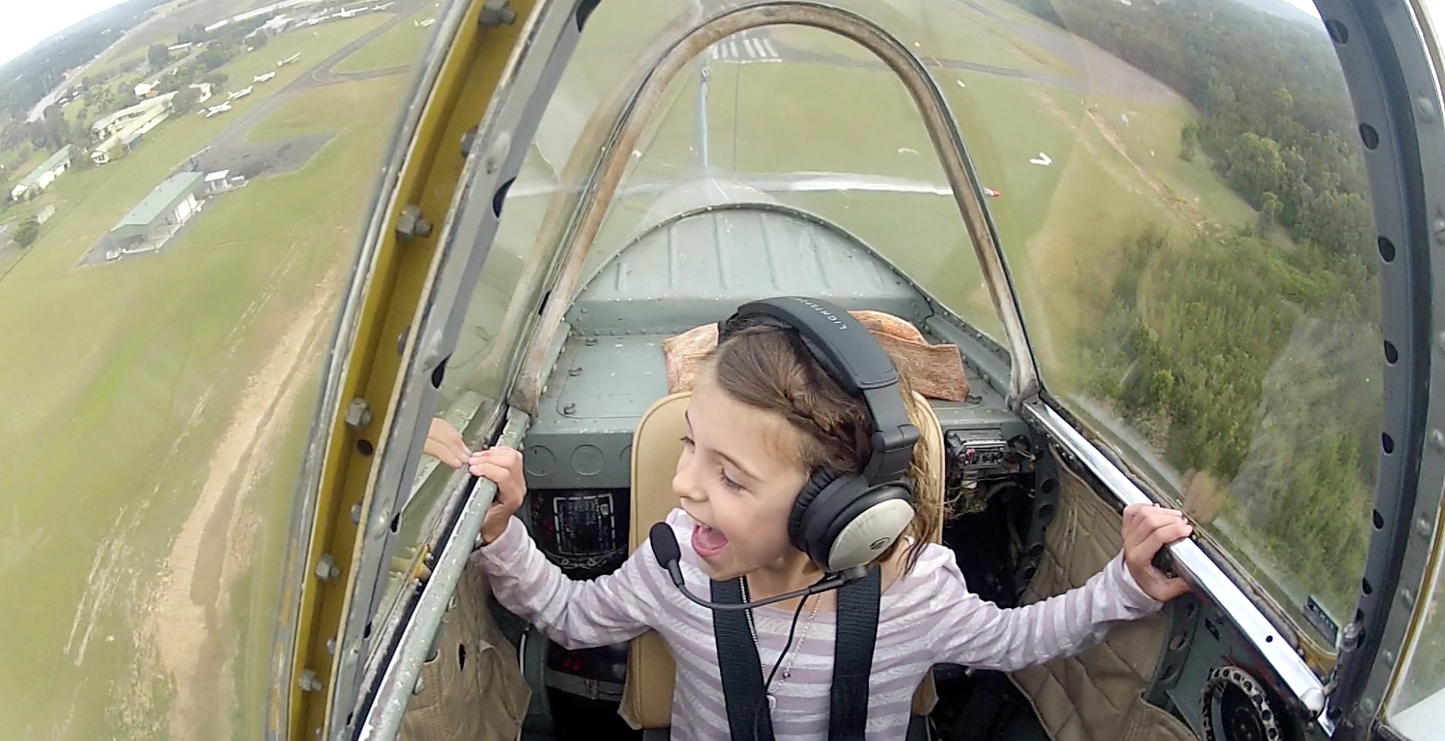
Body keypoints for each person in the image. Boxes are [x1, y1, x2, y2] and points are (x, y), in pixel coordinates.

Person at [466, 323, 1193, 741]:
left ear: (836, 506)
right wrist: (502, 532)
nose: (683, 487)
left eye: (730, 475)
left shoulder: (915, 590)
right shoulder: (673, 563)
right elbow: (568, 614)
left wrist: (1120, 585)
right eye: (690, 445)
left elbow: (1018, 640)